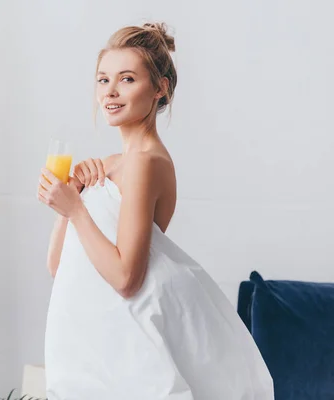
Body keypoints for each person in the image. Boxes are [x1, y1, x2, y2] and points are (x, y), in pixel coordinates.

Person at [37, 22, 274, 400]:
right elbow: (57, 266)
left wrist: (77, 209)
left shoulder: (147, 162)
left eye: (127, 79)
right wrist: (66, 202)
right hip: (96, 338)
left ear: (160, 88)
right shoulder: (111, 163)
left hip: (129, 342)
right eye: (102, 80)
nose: (110, 92)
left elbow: (127, 278)